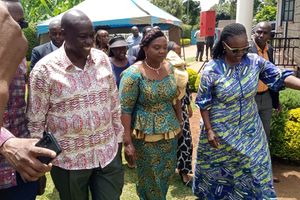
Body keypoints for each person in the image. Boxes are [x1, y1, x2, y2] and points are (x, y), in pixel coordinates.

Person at [193, 23, 300, 199]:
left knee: (257, 166)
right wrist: (210, 131)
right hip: (221, 132)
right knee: (222, 172)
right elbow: (204, 103)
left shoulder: (255, 62)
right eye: (235, 50)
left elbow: (280, 77)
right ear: (224, 45)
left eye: (244, 48)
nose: (240, 54)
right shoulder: (212, 69)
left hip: (251, 129)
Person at [27, 10, 124, 200]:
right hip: (69, 161)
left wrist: (118, 142)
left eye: (91, 35)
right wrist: (38, 163)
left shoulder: (102, 59)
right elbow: (35, 122)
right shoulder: (44, 70)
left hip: (107, 153)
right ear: (63, 34)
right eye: (83, 37)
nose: (89, 41)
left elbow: (114, 103)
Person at [0, 1, 56, 199]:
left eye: (21, 26)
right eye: (7, 25)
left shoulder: (20, 56)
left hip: (21, 166)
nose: (15, 33)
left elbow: (26, 108)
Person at [120, 29, 182, 200]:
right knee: (150, 177)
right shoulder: (133, 74)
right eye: (156, 47)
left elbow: (175, 97)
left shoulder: (169, 68)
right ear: (145, 48)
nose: (162, 51)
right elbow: (125, 110)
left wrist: (180, 121)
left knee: (167, 172)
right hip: (146, 137)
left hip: (170, 133)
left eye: (164, 47)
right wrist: (127, 143)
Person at [167, 41, 193, 187]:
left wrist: (189, 105)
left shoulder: (181, 67)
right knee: (169, 142)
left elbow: (186, 89)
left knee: (185, 141)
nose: (178, 55)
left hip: (182, 109)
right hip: (167, 110)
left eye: (179, 52)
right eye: (175, 52)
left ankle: (184, 172)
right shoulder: (164, 69)